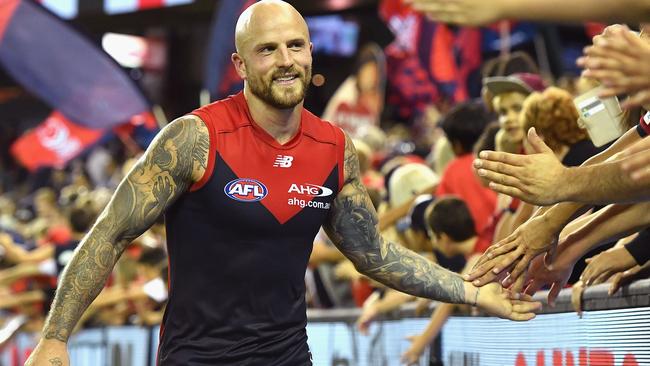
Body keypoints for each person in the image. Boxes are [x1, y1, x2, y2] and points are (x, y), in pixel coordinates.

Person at [25, 2, 540, 365]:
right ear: (241, 63)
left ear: (311, 53)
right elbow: (110, 235)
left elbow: (375, 255)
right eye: (268, 50)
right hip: (197, 359)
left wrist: (473, 293)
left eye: (296, 45)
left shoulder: (335, 149)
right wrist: (55, 336)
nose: (286, 59)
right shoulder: (194, 138)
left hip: (288, 356)